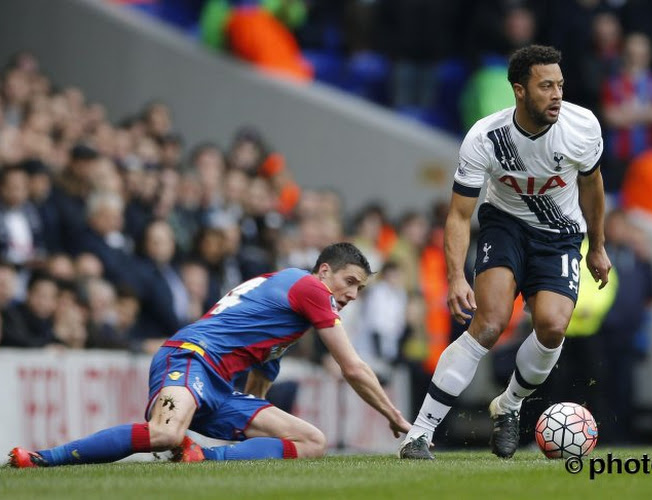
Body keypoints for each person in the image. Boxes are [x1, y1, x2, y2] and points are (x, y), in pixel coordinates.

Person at [8, 242, 410, 467]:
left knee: (311, 441)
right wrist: (395, 417)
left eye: (360, 289)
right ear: (324, 271)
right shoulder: (309, 289)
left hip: (218, 386)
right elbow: (353, 367)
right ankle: (43, 459)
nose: (353, 296)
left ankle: (203, 458)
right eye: (350, 282)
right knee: (166, 432)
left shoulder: (286, 305)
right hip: (190, 357)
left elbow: (261, 382)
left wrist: (255, 415)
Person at [399, 45, 611, 460]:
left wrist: (597, 247)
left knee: (551, 326)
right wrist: (456, 276)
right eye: (545, 85)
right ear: (519, 90)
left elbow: (593, 186)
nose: (557, 95)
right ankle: (418, 433)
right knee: (490, 322)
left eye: (560, 85)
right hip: (506, 226)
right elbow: (460, 215)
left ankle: (508, 405)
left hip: (561, 235)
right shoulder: (485, 137)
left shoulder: (582, 126)